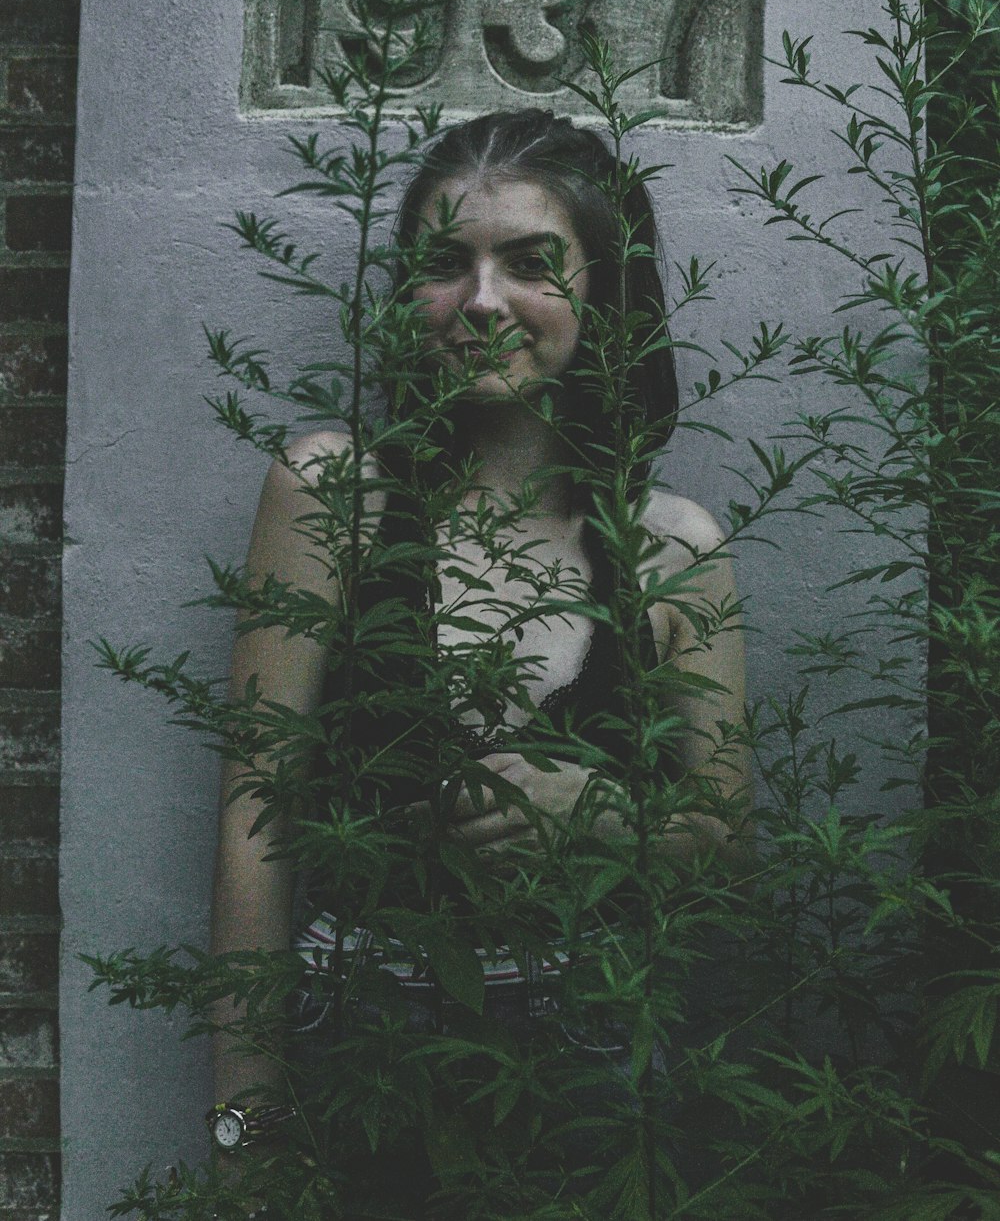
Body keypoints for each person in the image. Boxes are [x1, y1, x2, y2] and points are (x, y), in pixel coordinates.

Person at [209, 109, 750, 1202]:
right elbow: (252, 818)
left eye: (531, 263)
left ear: (605, 293)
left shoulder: (675, 552)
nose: (484, 300)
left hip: (593, 1057)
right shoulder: (332, 496)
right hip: (358, 1042)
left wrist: (601, 813)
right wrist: (247, 1115)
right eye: (445, 265)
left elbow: (729, 847)